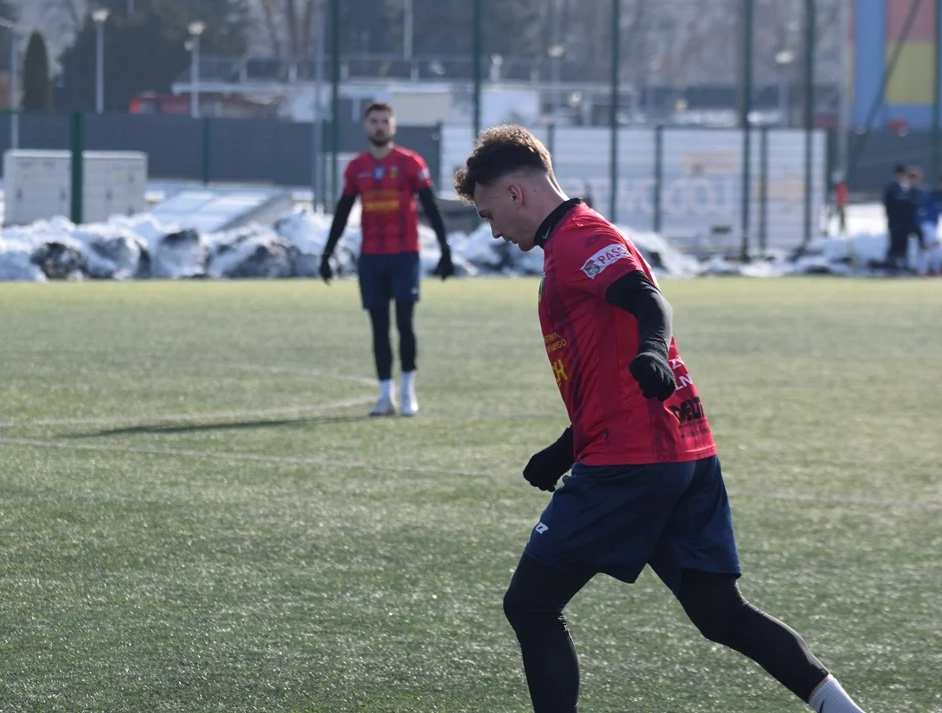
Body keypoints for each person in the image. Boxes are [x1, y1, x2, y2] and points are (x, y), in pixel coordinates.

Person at [453, 125, 870, 713]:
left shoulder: (578, 237)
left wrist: (652, 349)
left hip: (632, 460)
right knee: (719, 612)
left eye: (489, 212)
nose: (494, 229)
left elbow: (648, 300)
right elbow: (608, 365)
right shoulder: (574, 239)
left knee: (530, 605)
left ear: (516, 193)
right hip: (682, 449)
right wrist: (565, 448)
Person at [319, 102, 454, 416]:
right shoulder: (356, 168)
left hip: (405, 254)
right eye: (374, 121)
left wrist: (445, 249)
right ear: (365, 126)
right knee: (378, 326)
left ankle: (408, 393)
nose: (379, 126)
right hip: (371, 257)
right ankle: (385, 396)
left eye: (384, 121)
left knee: (404, 323)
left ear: (393, 126)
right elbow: (343, 211)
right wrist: (327, 253)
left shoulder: (410, 163)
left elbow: (430, 206)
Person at [882, 165, 915, 274]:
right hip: (895, 223)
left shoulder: (906, 188)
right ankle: (891, 265)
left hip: (905, 224)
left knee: (903, 245)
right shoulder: (891, 189)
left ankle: (902, 265)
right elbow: (888, 206)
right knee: (894, 244)